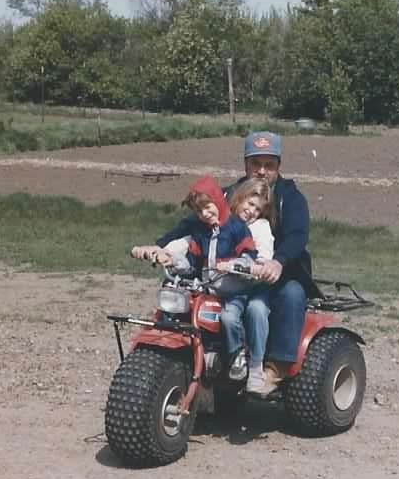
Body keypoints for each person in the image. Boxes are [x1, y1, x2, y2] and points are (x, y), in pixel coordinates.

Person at [160, 178, 277, 393]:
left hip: (247, 287)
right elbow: (189, 245)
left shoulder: (253, 228)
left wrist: (247, 265)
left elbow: (254, 256)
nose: (252, 211)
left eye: (257, 208)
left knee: (248, 312)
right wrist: (167, 254)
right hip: (214, 286)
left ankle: (251, 363)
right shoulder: (214, 225)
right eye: (249, 204)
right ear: (239, 199)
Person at [222, 131, 316, 396]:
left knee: (292, 293)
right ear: (246, 164)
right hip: (233, 270)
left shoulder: (290, 197)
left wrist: (278, 262)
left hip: (282, 271)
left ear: (278, 167)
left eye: (269, 165)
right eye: (256, 163)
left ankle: (277, 366)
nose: (261, 171)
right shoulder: (231, 193)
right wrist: (166, 246)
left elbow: (298, 235)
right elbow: (200, 219)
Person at [130, 173, 258, 286]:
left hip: (232, 291)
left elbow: (249, 257)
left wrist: (233, 266)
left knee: (229, 314)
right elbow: (191, 262)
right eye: (199, 211)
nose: (205, 213)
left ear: (218, 201)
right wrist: (172, 260)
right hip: (206, 287)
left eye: (207, 207)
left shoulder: (237, 227)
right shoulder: (201, 232)